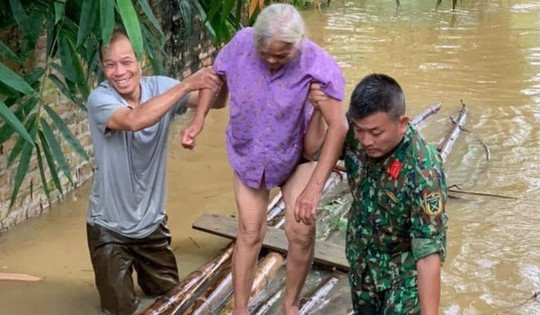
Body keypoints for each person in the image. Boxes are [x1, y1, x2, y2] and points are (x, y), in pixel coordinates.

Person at [180, 4, 348, 315]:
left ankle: (290, 304)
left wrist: (313, 189)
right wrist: (198, 120)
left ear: (297, 45)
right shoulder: (242, 43)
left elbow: (339, 126)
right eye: (265, 53)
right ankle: (242, 308)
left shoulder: (318, 64)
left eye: (280, 56)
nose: (271, 60)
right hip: (250, 153)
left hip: (296, 153)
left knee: (300, 230)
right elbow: (214, 79)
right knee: (249, 231)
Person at [85, 29, 225, 314]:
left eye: (126, 62)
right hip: (109, 229)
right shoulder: (99, 99)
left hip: (151, 225)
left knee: (171, 298)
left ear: (140, 61)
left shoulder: (160, 86)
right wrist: (186, 84)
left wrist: (225, 70)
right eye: (110, 65)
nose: (119, 72)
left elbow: (217, 101)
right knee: (119, 310)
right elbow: (134, 120)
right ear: (102, 67)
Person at [310, 73, 448, 314]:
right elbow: (313, 151)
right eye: (360, 130)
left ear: (402, 123)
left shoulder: (423, 169)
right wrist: (316, 110)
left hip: (403, 276)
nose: (366, 141)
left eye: (375, 133)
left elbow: (428, 254)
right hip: (362, 263)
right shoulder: (353, 132)